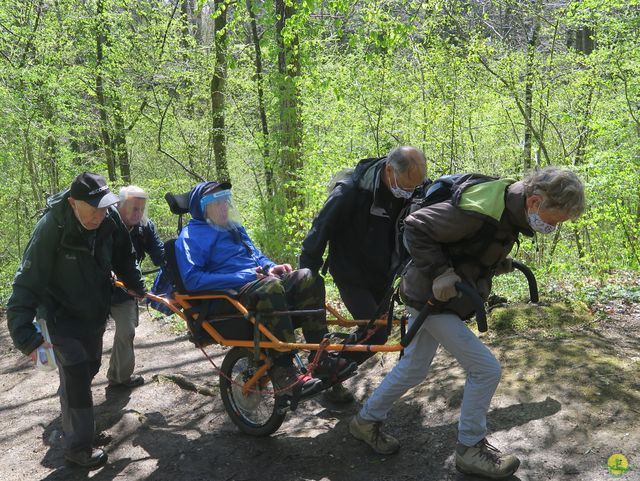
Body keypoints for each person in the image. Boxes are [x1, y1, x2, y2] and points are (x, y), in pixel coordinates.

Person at [348, 167, 585, 480]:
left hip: (439, 299)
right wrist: (440, 273)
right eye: (556, 218)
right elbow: (416, 226)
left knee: (413, 369)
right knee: (486, 369)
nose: (553, 226)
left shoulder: (508, 211)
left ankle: (365, 422)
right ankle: (470, 448)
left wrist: (494, 262)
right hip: (430, 298)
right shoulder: (484, 209)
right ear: (535, 202)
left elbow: (467, 245)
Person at [7, 172, 145, 469]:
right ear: (72, 203)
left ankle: (80, 429)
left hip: (93, 313)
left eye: (105, 207)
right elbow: (25, 284)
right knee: (77, 374)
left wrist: (136, 285)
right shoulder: (51, 228)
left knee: (88, 369)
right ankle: (78, 448)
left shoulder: (110, 219)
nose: (100, 214)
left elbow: (125, 255)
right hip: (59, 316)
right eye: (93, 208)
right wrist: (26, 338)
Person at [174, 181, 356, 400]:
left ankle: (321, 357)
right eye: (217, 203)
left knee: (308, 276)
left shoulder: (233, 227)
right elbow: (193, 279)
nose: (224, 207)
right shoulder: (191, 236)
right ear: (203, 208)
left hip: (258, 286)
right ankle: (283, 370)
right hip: (227, 297)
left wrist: (271, 267)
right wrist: (247, 276)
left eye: (225, 201)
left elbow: (256, 257)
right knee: (270, 286)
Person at [299, 146, 427, 401]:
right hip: (351, 272)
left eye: (416, 186)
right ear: (390, 171)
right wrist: (307, 277)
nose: (411, 192)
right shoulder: (350, 191)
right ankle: (326, 371)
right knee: (376, 332)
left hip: (384, 274)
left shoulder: (413, 188)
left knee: (378, 331)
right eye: (406, 185)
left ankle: (329, 370)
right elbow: (319, 229)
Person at [107, 186, 165, 389]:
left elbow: (160, 255)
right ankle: (78, 384)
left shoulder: (145, 227)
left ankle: (119, 377)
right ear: (119, 206)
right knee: (89, 336)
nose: (138, 213)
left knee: (126, 331)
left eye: (141, 209)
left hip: (128, 286)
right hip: (98, 287)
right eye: (133, 208)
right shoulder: (104, 223)